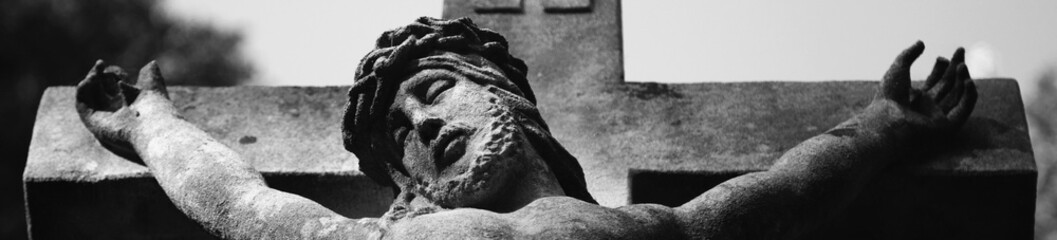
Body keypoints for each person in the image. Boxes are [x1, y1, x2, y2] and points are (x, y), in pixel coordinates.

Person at [75, 17, 976, 239]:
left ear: (506, 101)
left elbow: (785, 192)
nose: (421, 127)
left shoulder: (647, 231)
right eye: (399, 137)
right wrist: (150, 120)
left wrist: (886, 124)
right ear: (409, 182)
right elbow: (237, 202)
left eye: (431, 94)